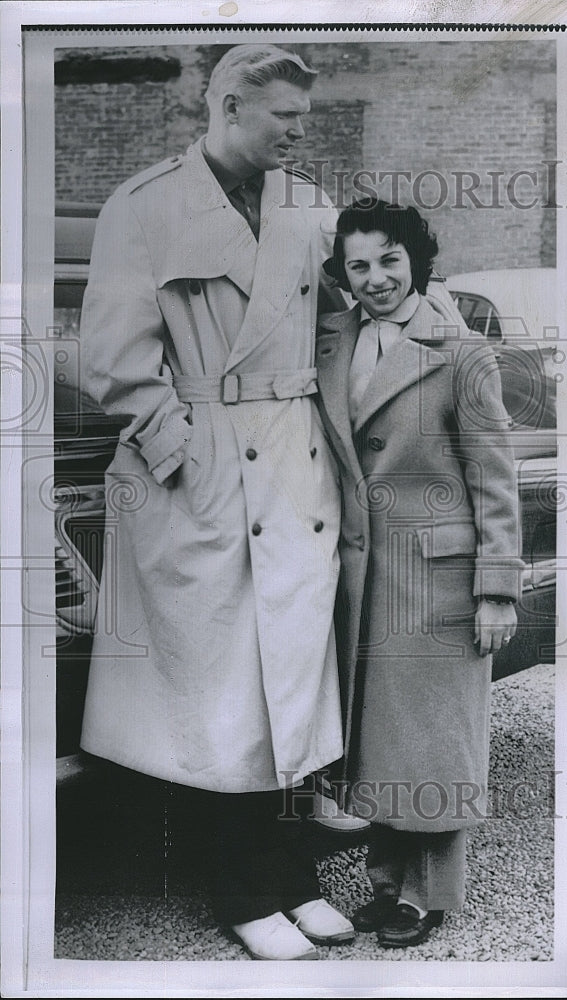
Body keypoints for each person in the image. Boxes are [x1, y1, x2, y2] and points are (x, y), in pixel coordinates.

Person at [78, 44, 356, 961]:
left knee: (290, 688)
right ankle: (240, 893)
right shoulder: (145, 205)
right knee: (218, 697)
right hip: (199, 477)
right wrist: (187, 456)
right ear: (231, 104)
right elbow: (114, 362)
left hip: (294, 464)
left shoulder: (309, 206)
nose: (298, 130)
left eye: (302, 119)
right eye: (284, 115)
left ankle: (293, 879)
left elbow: (334, 332)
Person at [315, 198, 524, 948]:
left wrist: (497, 588)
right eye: (358, 265)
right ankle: (383, 885)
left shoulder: (461, 352)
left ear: (416, 261)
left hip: (436, 582)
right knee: (380, 740)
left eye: (389, 260)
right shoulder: (332, 341)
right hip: (362, 582)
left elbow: (493, 476)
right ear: (341, 273)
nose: (374, 278)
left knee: (435, 741)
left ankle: (427, 895)